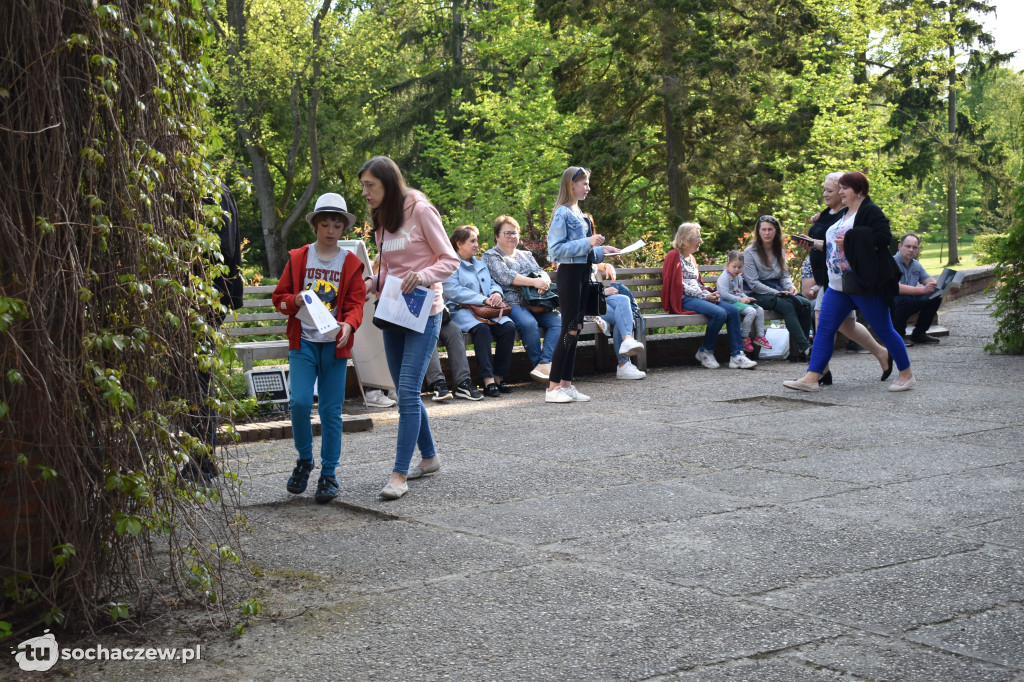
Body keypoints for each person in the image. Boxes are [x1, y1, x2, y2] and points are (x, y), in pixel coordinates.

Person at [360, 156, 460, 499]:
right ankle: (429, 458)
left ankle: (399, 474)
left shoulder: (420, 209)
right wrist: (373, 282)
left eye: (370, 185)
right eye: (363, 186)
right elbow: (389, 265)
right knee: (406, 392)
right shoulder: (381, 218)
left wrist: (425, 275)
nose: (365, 192)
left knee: (405, 390)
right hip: (392, 310)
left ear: (388, 182)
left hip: (424, 311)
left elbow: (449, 259)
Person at [784, 171, 916, 392]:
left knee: (884, 330)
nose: (841, 191)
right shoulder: (844, 213)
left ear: (859, 191)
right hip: (837, 284)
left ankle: (906, 374)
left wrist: (853, 240)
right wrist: (816, 243)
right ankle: (812, 377)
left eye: (845, 188)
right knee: (824, 329)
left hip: (864, 284)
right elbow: (836, 245)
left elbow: (884, 238)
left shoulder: (869, 211)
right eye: (840, 187)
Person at [272, 193, 366, 503]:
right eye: (324, 224)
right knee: (299, 402)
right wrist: (293, 300)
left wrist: (349, 325)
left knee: (330, 410)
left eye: (336, 225)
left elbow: (355, 304)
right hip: (304, 342)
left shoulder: (350, 263)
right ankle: (304, 461)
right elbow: (280, 297)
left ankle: (329, 473)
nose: (330, 230)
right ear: (314, 224)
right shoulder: (300, 257)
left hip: (334, 346)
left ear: (343, 229)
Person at [180, 184, 245, 484]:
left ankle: (202, 462)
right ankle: (203, 459)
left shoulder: (207, 191)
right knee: (196, 381)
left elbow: (223, 252)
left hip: (202, 302)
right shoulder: (215, 188)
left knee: (196, 383)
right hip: (209, 301)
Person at [545, 166, 620, 403]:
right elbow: (555, 251)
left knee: (575, 328)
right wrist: (587, 241)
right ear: (571, 185)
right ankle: (553, 387)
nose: (587, 188)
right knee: (568, 328)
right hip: (569, 275)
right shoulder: (562, 213)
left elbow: (585, 252)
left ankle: (566, 384)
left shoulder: (580, 214)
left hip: (582, 274)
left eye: (588, 183)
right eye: (584, 183)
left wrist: (601, 250)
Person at [661, 223, 757, 370]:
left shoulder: (691, 258)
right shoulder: (673, 255)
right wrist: (704, 296)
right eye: (698, 237)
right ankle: (705, 351)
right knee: (719, 313)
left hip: (699, 297)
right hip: (683, 299)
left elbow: (697, 283)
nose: (701, 240)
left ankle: (737, 355)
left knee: (731, 310)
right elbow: (678, 285)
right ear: (687, 238)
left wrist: (709, 293)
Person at [483, 215, 562, 383]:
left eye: (515, 232)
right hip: (513, 302)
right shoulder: (491, 256)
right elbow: (506, 277)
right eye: (507, 233)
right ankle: (539, 366)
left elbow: (540, 270)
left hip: (538, 302)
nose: (512, 236)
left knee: (559, 322)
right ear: (497, 236)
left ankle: (544, 363)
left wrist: (545, 282)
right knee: (529, 324)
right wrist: (534, 282)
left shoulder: (525, 254)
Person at [443, 225, 517, 397]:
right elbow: (453, 291)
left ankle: (499, 377)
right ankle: (488, 380)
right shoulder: (451, 265)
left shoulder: (480, 264)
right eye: (472, 241)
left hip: (489, 310)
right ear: (459, 243)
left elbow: (492, 283)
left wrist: (496, 293)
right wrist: (483, 299)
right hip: (463, 311)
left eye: (477, 240)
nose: (477, 244)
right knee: (481, 329)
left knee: (508, 328)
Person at [743, 215, 814, 362]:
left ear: (776, 231)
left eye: (770, 229)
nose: (767, 233)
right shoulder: (750, 252)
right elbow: (753, 283)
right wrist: (778, 292)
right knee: (787, 305)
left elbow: (784, 275)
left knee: (805, 304)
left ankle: (802, 349)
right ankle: (806, 346)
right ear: (758, 231)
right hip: (757, 293)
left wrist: (790, 286)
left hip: (779, 289)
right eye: (764, 230)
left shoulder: (779, 250)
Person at [593, 263, 646, 379]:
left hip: (600, 300)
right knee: (622, 316)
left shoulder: (587, 255)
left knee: (623, 300)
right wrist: (602, 292)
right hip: (587, 306)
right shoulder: (571, 262)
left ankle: (627, 343)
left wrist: (607, 266)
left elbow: (595, 264)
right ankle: (624, 364)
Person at [715, 250, 771, 353]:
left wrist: (747, 298)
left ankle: (760, 336)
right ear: (728, 265)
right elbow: (724, 294)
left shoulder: (738, 277)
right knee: (751, 311)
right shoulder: (724, 277)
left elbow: (740, 293)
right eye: (734, 266)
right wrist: (740, 299)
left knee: (759, 309)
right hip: (728, 303)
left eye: (739, 267)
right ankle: (744, 337)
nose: (737, 269)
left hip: (737, 301)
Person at [891, 232, 942, 345]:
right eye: (908, 246)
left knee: (936, 295)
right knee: (904, 299)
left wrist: (946, 288)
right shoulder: (891, 262)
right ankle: (898, 335)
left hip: (908, 301)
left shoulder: (916, 264)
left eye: (915, 247)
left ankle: (919, 334)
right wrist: (923, 290)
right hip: (890, 303)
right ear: (900, 246)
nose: (911, 250)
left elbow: (929, 282)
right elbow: (896, 288)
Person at [423, 320, 484, 401]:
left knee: (454, 330)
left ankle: (463, 382)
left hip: (437, 318)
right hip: (418, 321)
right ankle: (438, 383)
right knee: (428, 334)